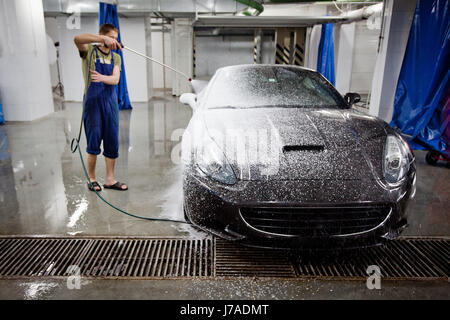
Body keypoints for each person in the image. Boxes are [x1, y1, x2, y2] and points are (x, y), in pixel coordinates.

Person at [74, 23, 128, 191]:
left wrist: (103, 77)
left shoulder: (116, 57)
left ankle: (110, 180)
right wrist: (101, 39)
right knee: (93, 141)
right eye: (111, 37)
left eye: (115, 38)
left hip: (110, 103)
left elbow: (115, 80)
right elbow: (77, 39)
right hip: (93, 104)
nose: (114, 41)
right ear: (103, 36)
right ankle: (91, 179)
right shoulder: (89, 52)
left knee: (112, 141)